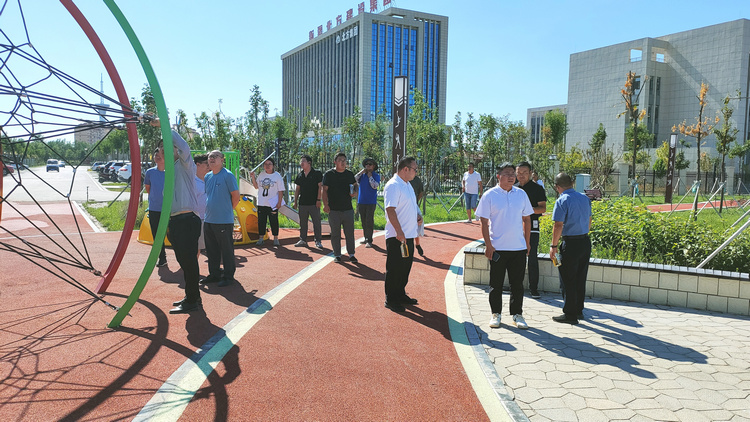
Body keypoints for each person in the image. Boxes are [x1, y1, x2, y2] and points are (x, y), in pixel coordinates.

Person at [475, 163, 533, 329]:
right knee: (496, 284)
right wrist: (488, 245)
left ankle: (517, 314)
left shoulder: (521, 194)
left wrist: (527, 242)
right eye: (507, 174)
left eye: (512, 174)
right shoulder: (490, 195)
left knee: (517, 284)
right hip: (497, 248)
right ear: (498, 176)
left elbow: (527, 219)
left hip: (518, 248)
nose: (511, 177)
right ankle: (496, 314)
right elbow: (484, 222)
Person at [165, 129, 203, 314]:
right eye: (160, 149)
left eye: (167, 147)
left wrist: (165, 127)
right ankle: (193, 296)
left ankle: (192, 299)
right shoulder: (170, 171)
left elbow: (184, 147)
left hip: (187, 219)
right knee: (184, 261)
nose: (163, 151)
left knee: (188, 261)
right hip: (176, 220)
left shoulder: (185, 165)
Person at [549, 172, 592, 325]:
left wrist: (553, 246)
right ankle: (578, 309)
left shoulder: (562, 200)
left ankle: (570, 314)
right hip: (585, 241)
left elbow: (558, 225)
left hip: (570, 243)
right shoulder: (585, 198)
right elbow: (589, 220)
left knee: (568, 279)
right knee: (580, 277)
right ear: (572, 183)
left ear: (557, 187)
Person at [383, 156, 422, 312]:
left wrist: (417, 216)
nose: (416, 172)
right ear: (405, 169)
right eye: (415, 169)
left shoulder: (407, 185)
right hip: (397, 236)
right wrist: (399, 231)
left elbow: (410, 205)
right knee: (395, 268)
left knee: (405, 267)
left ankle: (400, 294)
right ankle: (391, 299)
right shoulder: (393, 185)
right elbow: (390, 210)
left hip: (409, 235)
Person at [202, 150, 240, 287]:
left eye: (215, 156)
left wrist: (227, 209)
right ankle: (214, 274)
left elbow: (236, 196)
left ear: (222, 159)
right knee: (211, 250)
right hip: (209, 219)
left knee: (227, 250)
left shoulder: (228, 175)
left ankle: (228, 276)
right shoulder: (207, 176)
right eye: (210, 157)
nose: (211, 159)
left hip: (223, 220)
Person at [515, 162, 547, 299]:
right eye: (519, 173)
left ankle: (534, 288)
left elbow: (543, 208)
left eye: (525, 172)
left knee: (532, 256)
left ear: (530, 173)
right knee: (515, 258)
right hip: (514, 228)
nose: (521, 175)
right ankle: (514, 285)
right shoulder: (512, 188)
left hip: (532, 227)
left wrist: (527, 210)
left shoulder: (537, 188)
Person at [322, 152, 358, 263]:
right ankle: (337, 254)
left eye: (344, 160)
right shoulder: (329, 174)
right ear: (335, 162)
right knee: (335, 233)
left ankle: (351, 254)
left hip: (348, 209)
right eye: (340, 160)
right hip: (333, 209)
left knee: (349, 233)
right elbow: (324, 190)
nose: (343, 163)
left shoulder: (349, 174)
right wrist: (325, 204)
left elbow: (355, 185)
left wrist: (355, 192)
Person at [251, 158, 285, 247]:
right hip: (262, 203)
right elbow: (256, 186)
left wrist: (279, 202)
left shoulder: (277, 176)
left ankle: (276, 238)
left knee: (274, 221)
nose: (267, 166)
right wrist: (253, 177)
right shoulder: (261, 175)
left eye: (269, 164)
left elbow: (281, 190)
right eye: (265, 164)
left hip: (272, 204)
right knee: (261, 221)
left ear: (273, 165)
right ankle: (261, 238)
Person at [293, 154, 324, 249]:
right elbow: (297, 189)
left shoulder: (317, 173)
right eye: (301, 161)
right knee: (303, 223)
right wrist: (295, 201)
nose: (301, 163)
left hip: (314, 203)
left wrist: (319, 199)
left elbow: (320, 187)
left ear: (309, 163)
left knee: (316, 222)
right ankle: (303, 240)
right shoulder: (300, 175)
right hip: (303, 203)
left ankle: (318, 241)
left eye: (303, 161)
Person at [144, 146, 167, 267]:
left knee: (172, 234)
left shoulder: (171, 172)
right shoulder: (150, 172)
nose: (157, 157)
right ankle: (162, 257)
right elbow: (148, 188)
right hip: (154, 208)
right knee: (156, 235)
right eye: (156, 155)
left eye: (160, 155)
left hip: (169, 209)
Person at [355, 158, 380, 248]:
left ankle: (369, 240)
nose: (368, 166)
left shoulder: (376, 175)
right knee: (363, 221)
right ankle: (366, 237)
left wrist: (370, 177)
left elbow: (375, 186)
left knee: (369, 220)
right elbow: (354, 179)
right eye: (366, 164)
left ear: (373, 166)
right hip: (361, 201)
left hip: (371, 202)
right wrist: (361, 172)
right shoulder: (362, 175)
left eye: (370, 164)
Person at [193, 153, 209, 259]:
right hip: (196, 219)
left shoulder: (210, 179)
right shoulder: (191, 181)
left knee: (209, 246)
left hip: (210, 219)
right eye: (206, 163)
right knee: (196, 247)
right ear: (197, 164)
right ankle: (191, 267)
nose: (209, 166)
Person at [409, 173, 425, 256]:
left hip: (414, 205)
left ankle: (417, 244)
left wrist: (415, 202)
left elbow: (421, 193)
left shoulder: (417, 180)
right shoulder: (402, 180)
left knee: (416, 225)